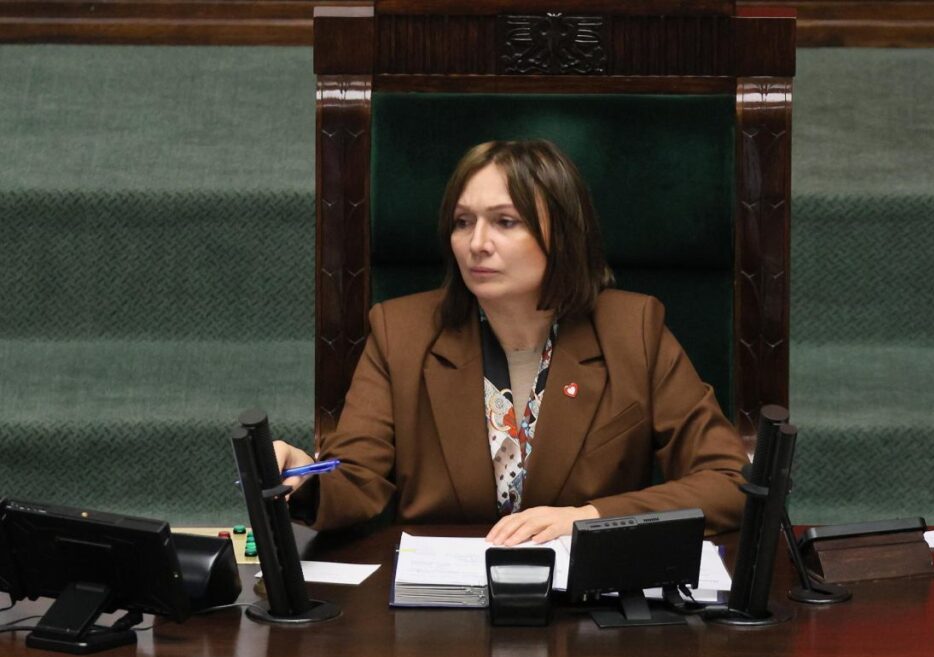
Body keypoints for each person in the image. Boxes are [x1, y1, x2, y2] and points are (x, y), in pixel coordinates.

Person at [276, 139, 748, 544]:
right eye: (463, 222)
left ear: (563, 233)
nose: (476, 243)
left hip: (587, 603)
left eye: (505, 222)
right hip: (443, 600)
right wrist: (301, 476)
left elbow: (728, 482)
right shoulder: (401, 332)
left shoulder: (633, 330)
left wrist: (590, 518)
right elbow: (355, 478)